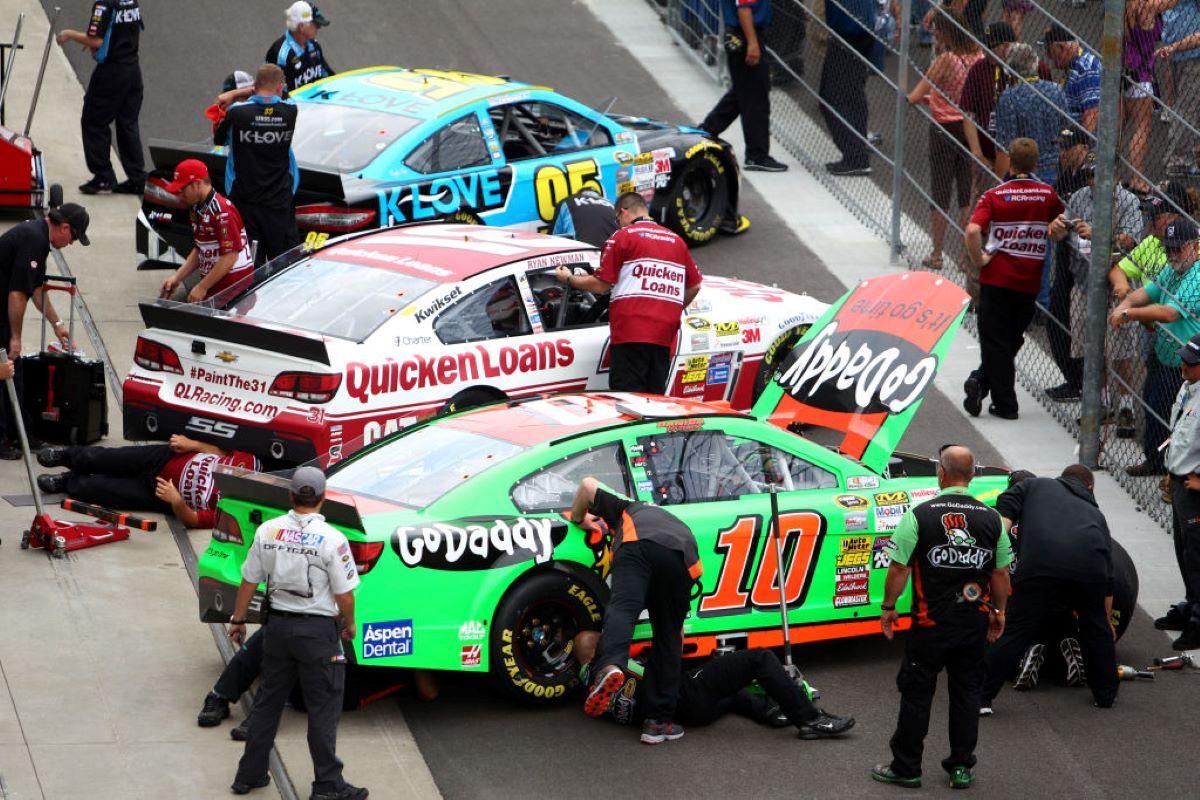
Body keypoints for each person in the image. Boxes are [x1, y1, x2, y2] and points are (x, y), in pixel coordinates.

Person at [870, 445, 1011, 790]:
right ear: (973, 475)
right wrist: (999, 611)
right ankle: (961, 767)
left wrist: (888, 607)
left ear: (941, 474)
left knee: (917, 693)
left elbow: (899, 567)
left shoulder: (918, 515)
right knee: (966, 694)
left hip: (929, 625)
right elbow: (1001, 574)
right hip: (972, 624)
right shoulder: (992, 518)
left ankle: (906, 768)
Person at [228, 467, 367, 799]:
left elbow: (249, 579)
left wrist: (237, 619)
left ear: (290, 496)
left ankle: (248, 775)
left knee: (268, 702)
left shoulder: (268, 531)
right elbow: (345, 594)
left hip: (276, 629)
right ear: (322, 498)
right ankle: (327, 785)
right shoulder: (333, 539)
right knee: (323, 709)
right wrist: (349, 623)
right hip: (318, 634)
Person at [566, 476, 701, 745]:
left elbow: (586, 484)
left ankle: (609, 667)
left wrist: (579, 518)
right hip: (684, 558)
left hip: (638, 544)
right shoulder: (667, 516)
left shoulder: (627, 508)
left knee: (623, 608)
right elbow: (678, 633)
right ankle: (657, 723)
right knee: (669, 635)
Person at [980, 465, 1120, 713]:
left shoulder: (1035, 485)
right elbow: (1108, 579)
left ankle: (982, 697)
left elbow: (1003, 513)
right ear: (1089, 487)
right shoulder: (1096, 514)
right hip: (1090, 569)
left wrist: (996, 553)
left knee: (1016, 629)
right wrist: (1106, 620)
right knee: (1095, 629)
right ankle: (1105, 695)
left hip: (1042, 565)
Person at [573, 632, 855, 739]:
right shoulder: (611, 670)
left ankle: (770, 712)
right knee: (759, 659)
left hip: (692, 714)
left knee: (733, 691)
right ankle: (810, 719)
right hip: (687, 695)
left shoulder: (592, 687)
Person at [554, 193, 701, 394]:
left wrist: (569, 279)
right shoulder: (676, 240)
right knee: (654, 401)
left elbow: (601, 285)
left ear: (623, 212)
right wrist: (670, 307)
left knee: (628, 402)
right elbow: (694, 286)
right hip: (664, 335)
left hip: (631, 333)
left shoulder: (623, 236)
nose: (618, 224)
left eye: (617, 220)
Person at [963, 138, 1065, 421]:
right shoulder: (1047, 194)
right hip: (1028, 281)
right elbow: (1062, 221)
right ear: (1035, 163)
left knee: (995, 341)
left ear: (1009, 160)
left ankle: (1005, 404)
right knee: (1009, 340)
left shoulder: (995, 194)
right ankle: (981, 381)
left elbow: (972, 231)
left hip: (996, 278)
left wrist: (980, 259)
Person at [1045, 155, 1143, 431]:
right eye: (1089, 174)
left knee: (1122, 350)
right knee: (1092, 349)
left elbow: (1129, 240)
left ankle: (1125, 407)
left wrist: (1098, 232)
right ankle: (1101, 404)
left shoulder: (1127, 201)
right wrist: (1056, 228)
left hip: (1117, 288)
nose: (1092, 180)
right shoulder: (1079, 197)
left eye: (1097, 174)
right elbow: (1060, 229)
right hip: (1084, 284)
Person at [1110, 219, 1200, 477]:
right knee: (1154, 408)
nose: (1171, 255)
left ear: (1193, 247)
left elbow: (1169, 313)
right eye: (1168, 249)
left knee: (1181, 421)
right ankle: (1157, 463)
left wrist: (1128, 314)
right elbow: (1145, 294)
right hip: (1166, 356)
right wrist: (1123, 304)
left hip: (1190, 364)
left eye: (1177, 249)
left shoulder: (1197, 274)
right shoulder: (1172, 270)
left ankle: (1175, 471)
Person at [0, 206, 89, 459]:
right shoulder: (35, 238)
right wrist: (15, 338)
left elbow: (36, 289)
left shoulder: (39, 236)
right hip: (1, 315)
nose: (70, 243)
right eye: (73, 237)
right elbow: (17, 293)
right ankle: (4, 437)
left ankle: (21, 434)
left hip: (2, 315)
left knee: (13, 374)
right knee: (4, 373)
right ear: (64, 227)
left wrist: (57, 323)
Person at [35, 435, 258, 524]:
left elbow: (193, 520)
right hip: (166, 458)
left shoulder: (235, 511)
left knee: (97, 489)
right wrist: (193, 445)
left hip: (159, 494)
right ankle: (65, 456)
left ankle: (65, 482)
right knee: (108, 457)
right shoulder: (249, 462)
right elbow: (220, 452)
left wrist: (176, 501)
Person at [907, 10, 982, 270]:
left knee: (940, 191)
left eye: (937, 29)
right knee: (966, 194)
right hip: (969, 127)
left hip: (943, 129)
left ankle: (937, 253)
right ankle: (965, 257)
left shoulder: (945, 60)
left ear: (945, 31)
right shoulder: (978, 57)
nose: (934, 34)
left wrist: (933, 99)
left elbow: (915, 96)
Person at [57, 0, 145, 195]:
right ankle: (137, 178)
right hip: (133, 69)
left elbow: (96, 40)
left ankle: (104, 176)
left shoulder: (103, 4)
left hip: (112, 72)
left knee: (93, 121)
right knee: (127, 124)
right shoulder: (130, 2)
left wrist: (69, 35)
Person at [215, 64, 300, 265]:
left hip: (245, 202)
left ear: (255, 85)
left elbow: (219, 139)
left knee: (250, 266)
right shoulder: (290, 111)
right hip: (279, 203)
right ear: (279, 87)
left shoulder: (237, 112)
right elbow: (285, 95)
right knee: (284, 267)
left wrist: (234, 94)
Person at [699, 0, 788, 172]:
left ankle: (707, 130)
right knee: (756, 98)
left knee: (743, 92)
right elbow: (744, 8)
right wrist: (753, 43)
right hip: (746, 36)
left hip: (745, 35)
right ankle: (756, 155)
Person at [1043, 127, 1098, 403]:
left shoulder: (1091, 177)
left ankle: (1081, 382)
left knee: (1076, 325)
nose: (1062, 153)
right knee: (1057, 320)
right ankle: (1072, 379)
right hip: (1067, 254)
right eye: (1060, 147)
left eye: (1067, 147)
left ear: (1082, 148)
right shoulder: (1066, 175)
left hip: (1086, 259)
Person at [960, 21, 1053, 177]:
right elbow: (968, 112)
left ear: (1006, 46)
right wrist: (977, 153)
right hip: (989, 155)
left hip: (1029, 158)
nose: (985, 51)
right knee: (985, 198)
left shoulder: (1036, 68)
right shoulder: (979, 69)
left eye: (990, 47)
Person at [159, 159, 255, 303]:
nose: (180, 194)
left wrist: (202, 287)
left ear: (197, 184)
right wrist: (177, 277)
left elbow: (230, 256)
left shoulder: (221, 211)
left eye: (182, 189)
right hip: (216, 290)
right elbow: (200, 248)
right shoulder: (196, 208)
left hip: (235, 294)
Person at [1157, 332, 1200, 650]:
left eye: (1191, 362)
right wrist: (1170, 470)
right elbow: (1179, 435)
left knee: (1197, 555)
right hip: (1180, 480)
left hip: (1195, 486)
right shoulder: (1188, 388)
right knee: (1183, 549)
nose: (1184, 364)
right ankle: (1191, 605)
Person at [993, 43, 1069, 187]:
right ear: (1035, 64)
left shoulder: (1009, 97)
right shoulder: (1056, 90)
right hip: (1055, 169)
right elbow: (1065, 131)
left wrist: (1000, 186)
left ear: (1010, 70)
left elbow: (1005, 146)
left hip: (1024, 172)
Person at [819, 0, 876, 175]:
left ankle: (855, 156)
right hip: (859, 29)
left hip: (849, 32)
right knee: (851, 95)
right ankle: (857, 151)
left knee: (834, 96)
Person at [1123, 1, 1170, 194]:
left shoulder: (1125, 5)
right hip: (1140, 74)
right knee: (1142, 127)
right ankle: (1137, 178)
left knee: (1119, 125)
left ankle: (1109, 171)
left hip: (1123, 67)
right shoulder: (1147, 7)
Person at [1157, 0, 1200, 177]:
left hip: (1174, 40)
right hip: (1189, 48)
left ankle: (1184, 154)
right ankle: (1178, 161)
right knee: (1187, 108)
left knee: (1185, 106)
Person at [1043, 25, 1102, 134]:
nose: (1048, 56)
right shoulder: (1073, 65)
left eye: (1049, 50)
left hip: (1078, 143)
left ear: (1061, 47)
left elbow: (1091, 115)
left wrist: (1082, 146)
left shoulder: (1087, 69)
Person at [267, 1, 334, 93]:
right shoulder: (282, 55)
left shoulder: (313, 45)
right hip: (292, 106)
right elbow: (275, 94)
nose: (319, 28)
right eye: (315, 24)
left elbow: (329, 76)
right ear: (302, 26)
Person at [550, 187, 619, 248]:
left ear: (579, 194)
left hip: (581, 254)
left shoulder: (567, 201)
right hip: (610, 254)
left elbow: (552, 239)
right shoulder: (611, 205)